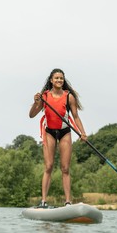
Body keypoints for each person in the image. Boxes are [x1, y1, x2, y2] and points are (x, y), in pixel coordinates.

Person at [29, 68, 88, 208]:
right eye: (56, 78)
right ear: (51, 80)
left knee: (65, 168)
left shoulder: (69, 97)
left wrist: (83, 133)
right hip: (49, 132)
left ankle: (68, 202)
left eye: (61, 78)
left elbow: (76, 117)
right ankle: (43, 201)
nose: (59, 80)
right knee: (48, 166)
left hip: (65, 132)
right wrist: (37, 102)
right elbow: (31, 115)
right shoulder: (44, 96)